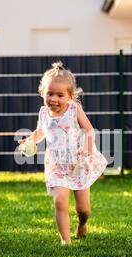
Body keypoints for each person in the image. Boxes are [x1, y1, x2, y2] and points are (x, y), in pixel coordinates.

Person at [18, 61, 108, 245]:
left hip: (79, 163)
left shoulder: (75, 110)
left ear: (70, 96)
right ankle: (66, 242)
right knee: (60, 202)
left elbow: (89, 130)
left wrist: (88, 147)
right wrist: (29, 141)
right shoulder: (44, 113)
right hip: (57, 165)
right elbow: (41, 132)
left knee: (83, 209)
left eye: (60, 95)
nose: (54, 99)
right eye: (49, 94)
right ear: (43, 93)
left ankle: (82, 224)